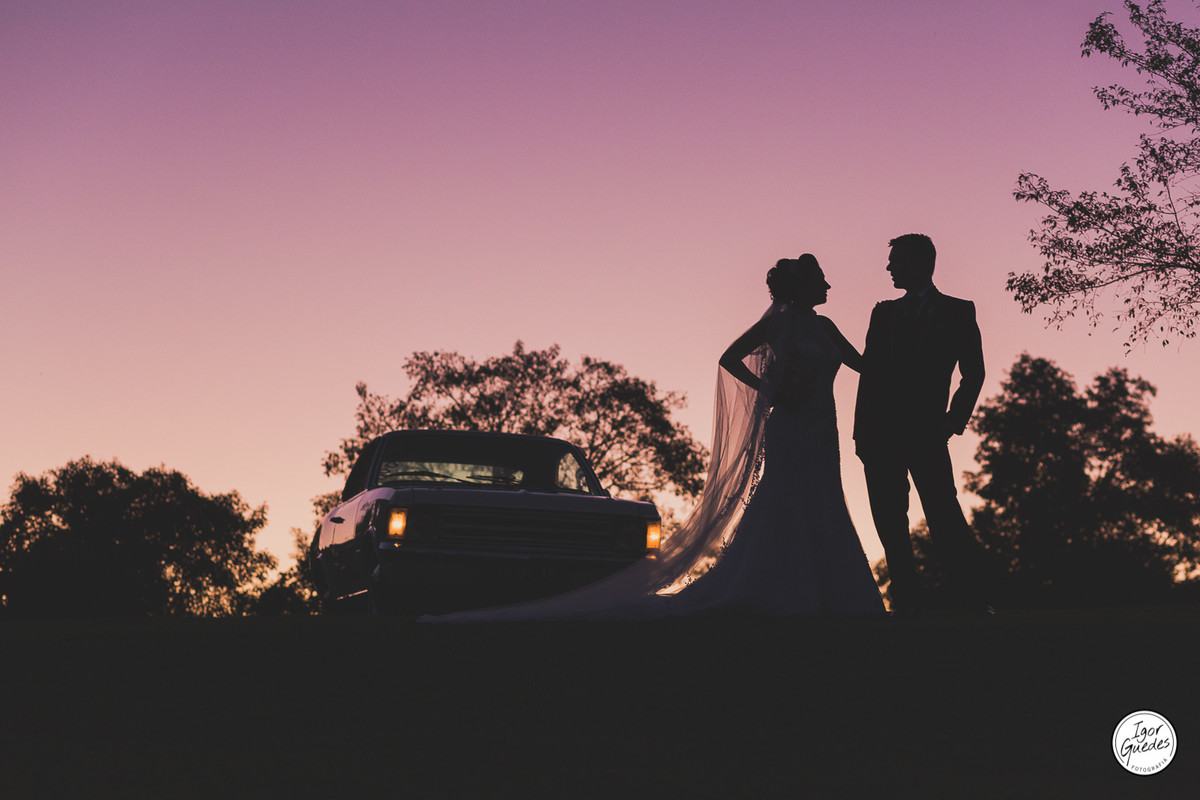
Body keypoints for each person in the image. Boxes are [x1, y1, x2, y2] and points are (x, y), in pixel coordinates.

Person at [422, 255, 883, 621]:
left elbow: (863, 365)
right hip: (790, 424)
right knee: (785, 497)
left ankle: (834, 591)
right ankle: (780, 587)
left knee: (824, 496)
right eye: (820, 279)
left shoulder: (825, 328)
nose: (827, 287)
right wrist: (771, 388)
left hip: (823, 426)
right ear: (802, 287)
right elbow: (730, 358)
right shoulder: (778, 324)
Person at [853, 234, 992, 614]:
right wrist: (861, 434)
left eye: (896, 260)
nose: (889, 267)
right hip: (879, 434)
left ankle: (972, 600)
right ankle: (907, 603)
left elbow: (973, 373)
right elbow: (871, 376)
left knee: (944, 513)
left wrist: (952, 422)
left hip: (928, 432)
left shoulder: (959, 311)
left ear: (921, 263)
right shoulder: (883, 313)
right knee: (889, 521)